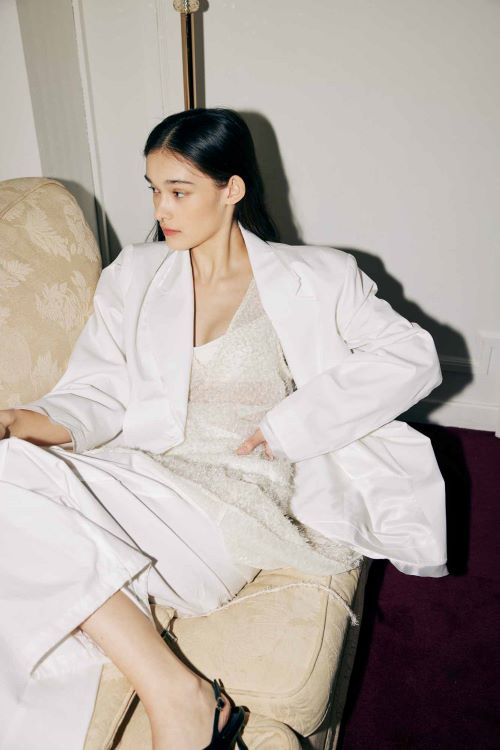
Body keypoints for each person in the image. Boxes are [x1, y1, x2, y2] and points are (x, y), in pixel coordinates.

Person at [0, 108, 447, 750]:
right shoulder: (134, 275)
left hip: (230, 504)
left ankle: (180, 699)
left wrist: (293, 425)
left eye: (179, 191)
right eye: (154, 190)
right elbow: (98, 393)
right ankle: (179, 693)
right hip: (138, 478)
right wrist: (21, 421)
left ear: (231, 188)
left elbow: (412, 356)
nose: (161, 209)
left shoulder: (316, 276)